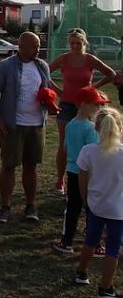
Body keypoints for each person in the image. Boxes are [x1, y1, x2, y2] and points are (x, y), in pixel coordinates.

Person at [0, 32, 53, 223]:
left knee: (31, 166)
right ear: (21, 46)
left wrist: (52, 102)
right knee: (9, 166)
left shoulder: (42, 66)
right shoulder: (4, 67)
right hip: (12, 126)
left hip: (36, 125)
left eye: (39, 46)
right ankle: (5, 207)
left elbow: (46, 90)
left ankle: (31, 206)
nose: (37, 50)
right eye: (33, 46)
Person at [48, 28, 116, 195]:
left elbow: (111, 74)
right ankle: (60, 180)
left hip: (87, 107)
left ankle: (89, 177)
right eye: (72, 43)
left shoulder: (90, 59)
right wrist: (58, 91)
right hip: (67, 105)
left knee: (91, 142)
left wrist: (93, 88)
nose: (75, 46)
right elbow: (44, 74)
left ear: (84, 43)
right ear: (69, 43)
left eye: (78, 43)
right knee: (64, 144)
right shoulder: (63, 59)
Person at [74, 105, 123, 297]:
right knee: (112, 248)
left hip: (96, 206)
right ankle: (105, 287)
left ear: (96, 127)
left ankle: (81, 271)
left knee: (90, 241)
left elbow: (82, 180)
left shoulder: (88, 151)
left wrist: (86, 200)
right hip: (118, 210)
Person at [53, 87, 106, 254]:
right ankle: (95, 244)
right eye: (96, 104)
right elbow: (94, 152)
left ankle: (66, 241)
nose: (99, 108)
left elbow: (66, 147)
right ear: (83, 104)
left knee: (72, 207)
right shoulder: (91, 128)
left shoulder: (70, 125)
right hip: (89, 173)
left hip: (72, 171)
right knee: (92, 208)